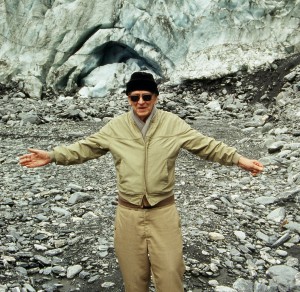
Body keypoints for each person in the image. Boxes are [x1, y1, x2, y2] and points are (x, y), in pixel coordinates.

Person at [19, 72, 263, 292]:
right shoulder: (116, 127)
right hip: (128, 214)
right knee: (134, 281)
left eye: (146, 96)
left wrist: (239, 160)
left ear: (156, 97)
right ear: (128, 99)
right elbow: (85, 148)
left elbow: (206, 145)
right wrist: (52, 156)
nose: (141, 102)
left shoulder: (173, 124)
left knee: (170, 276)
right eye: (134, 97)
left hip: (163, 212)